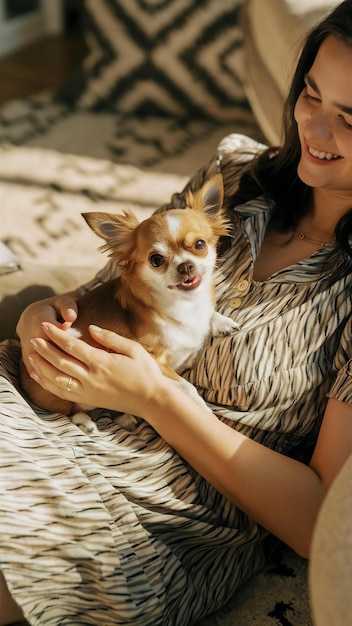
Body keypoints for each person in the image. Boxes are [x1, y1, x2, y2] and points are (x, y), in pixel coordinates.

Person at [1, 1, 352, 624]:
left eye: (350, 119)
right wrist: (42, 314)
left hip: (150, 512)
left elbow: (324, 520)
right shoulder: (238, 173)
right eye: (311, 94)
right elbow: (119, 284)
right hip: (47, 405)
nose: (313, 131)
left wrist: (157, 399)